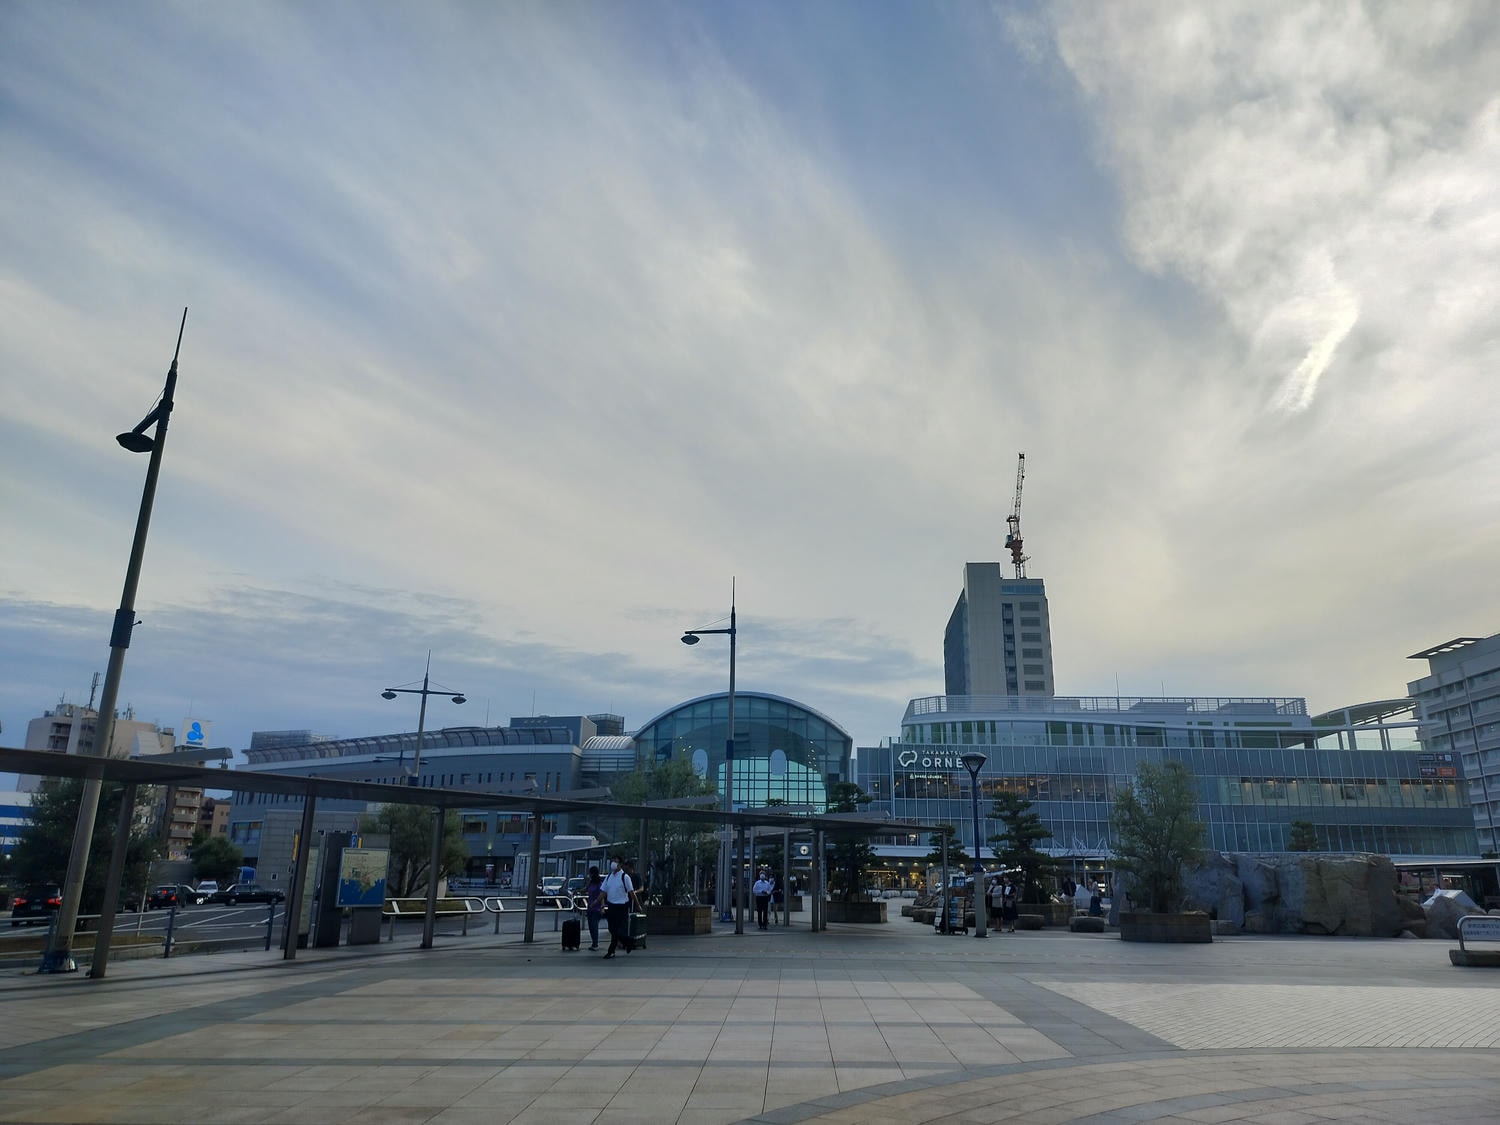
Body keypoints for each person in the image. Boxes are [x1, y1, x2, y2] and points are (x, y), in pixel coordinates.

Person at [601, 856, 638, 958]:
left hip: (622, 906)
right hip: (611, 906)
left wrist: (638, 905)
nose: (613, 863)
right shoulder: (609, 877)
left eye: (616, 862)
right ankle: (629, 941)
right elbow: (603, 892)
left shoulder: (625, 877)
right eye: (612, 861)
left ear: (620, 864)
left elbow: (632, 893)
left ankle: (611, 951)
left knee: (618, 930)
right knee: (612, 929)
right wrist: (597, 902)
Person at [584, 866, 605, 951]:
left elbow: (602, 895)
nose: (589, 875)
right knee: (590, 926)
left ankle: (595, 944)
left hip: (597, 908)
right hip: (590, 907)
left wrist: (602, 907)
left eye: (590, 873)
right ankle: (593, 942)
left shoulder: (599, 883)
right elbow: (587, 889)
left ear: (593, 873)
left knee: (594, 925)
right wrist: (578, 891)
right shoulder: (591, 882)